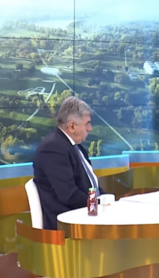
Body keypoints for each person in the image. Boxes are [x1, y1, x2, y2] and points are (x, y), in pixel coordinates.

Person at [32, 96, 105, 230]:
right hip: (68, 224)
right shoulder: (53, 149)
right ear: (72, 126)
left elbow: (90, 186)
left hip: (87, 214)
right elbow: (69, 195)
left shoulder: (74, 146)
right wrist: (100, 205)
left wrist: (107, 201)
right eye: (87, 123)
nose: (90, 128)